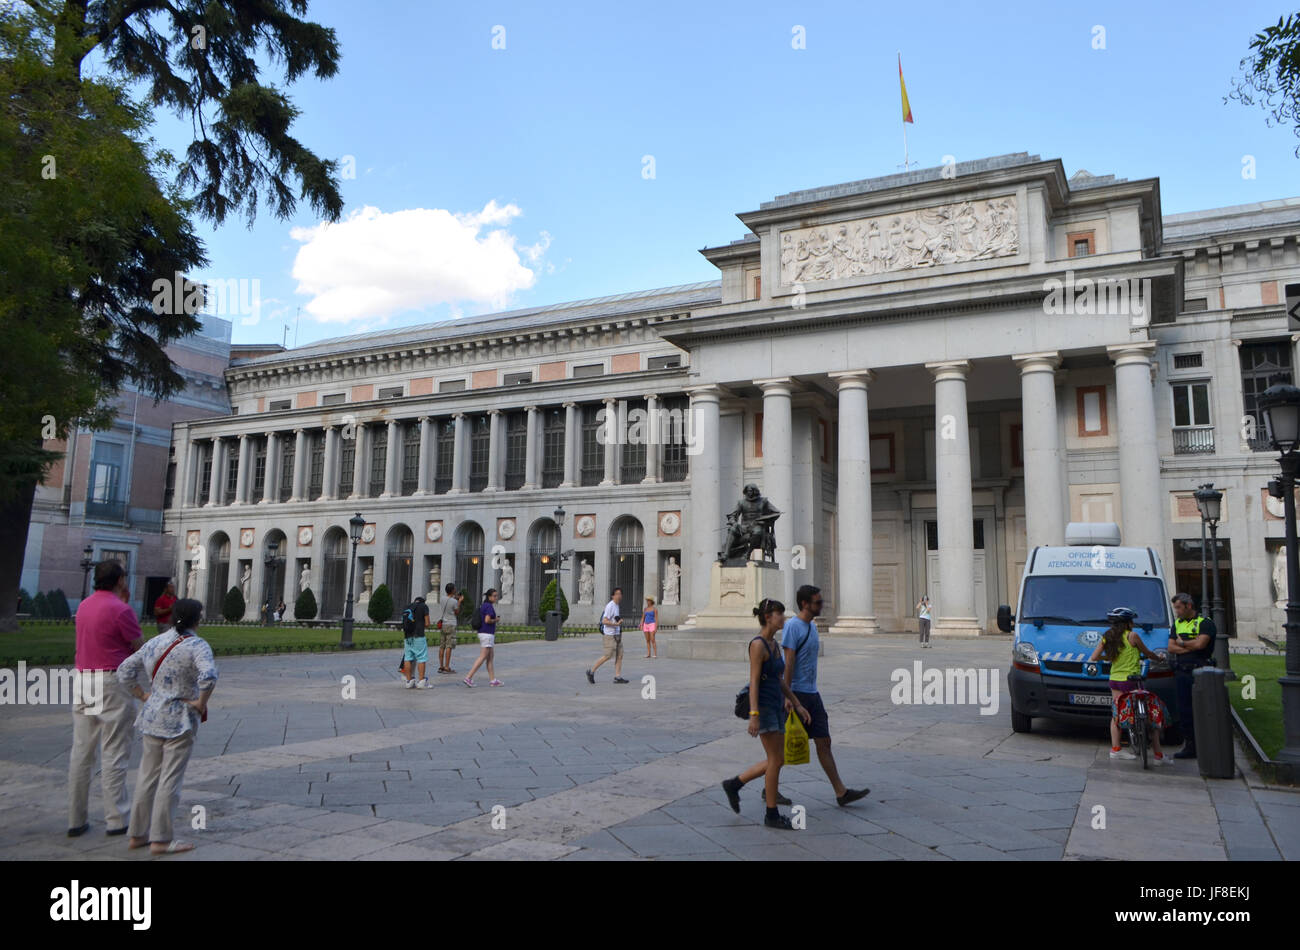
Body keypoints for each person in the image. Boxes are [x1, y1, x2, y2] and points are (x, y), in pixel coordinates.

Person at [119, 598, 218, 855]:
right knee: (170, 780)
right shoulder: (197, 645)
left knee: (146, 776)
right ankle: (161, 839)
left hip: (152, 715)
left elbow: (124, 670)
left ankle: (137, 835)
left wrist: (141, 695)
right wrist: (200, 702)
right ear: (197, 619)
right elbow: (208, 676)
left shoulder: (157, 641)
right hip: (180, 718)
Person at [68, 560, 144, 838]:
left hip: (84, 678)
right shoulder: (121, 610)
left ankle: (76, 818)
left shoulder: (84, 606)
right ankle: (116, 818)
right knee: (114, 750)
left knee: (81, 751)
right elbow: (139, 648)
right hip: (112, 681)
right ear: (120, 580)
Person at [721, 598, 811, 829]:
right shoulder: (758, 644)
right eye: (779, 614)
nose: (783, 617)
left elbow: (778, 679)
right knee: (777, 760)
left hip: (777, 706)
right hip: (764, 708)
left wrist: (796, 703)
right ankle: (771, 814)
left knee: (776, 760)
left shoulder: (774, 644)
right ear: (768, 617)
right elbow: (754, 681)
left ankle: (735, 784)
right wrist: (754, 714)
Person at [778, 585, 870, 806]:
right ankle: (764, 786)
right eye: (817, 602)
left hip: (812, 693)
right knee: (782, 746)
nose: (821, 605)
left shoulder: (813, 626)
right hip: (797, 692)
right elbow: (788, 662)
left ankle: (841, 792)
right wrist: (788, 696)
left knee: (824, 741)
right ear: (804, 604)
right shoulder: (792, 626)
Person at [1089, 606, 1169, 764]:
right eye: (1131, 621)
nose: (1133, 623)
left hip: (1114, 680)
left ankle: (1116, 749)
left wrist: (1110, 658)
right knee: (1147, 714)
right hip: (1131, 680)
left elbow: (1094, 657)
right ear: (1127, 623)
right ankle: (1158, 755)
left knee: (1117, 713)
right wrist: (1159, 658)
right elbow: (1148, 654)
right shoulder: (1133, 636)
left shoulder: (1107, 636)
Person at [1167, 592, 1217, 759]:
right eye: (1175, 608)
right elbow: (1171, 648)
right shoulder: (1177, 624)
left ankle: (1207, 745)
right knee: (1185, 711)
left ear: (1189, 606)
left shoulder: (1205, 623)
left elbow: (1201, 644)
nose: (1177, 611)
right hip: (1182, 671)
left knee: (1204, 709)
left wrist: (1182, 643)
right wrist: (1190, 646)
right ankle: (1190, 746)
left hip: (1200, 672)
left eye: (1179, 608)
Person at [586, 587, 628, 684]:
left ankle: (617, 677)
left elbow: (614, 617)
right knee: (607, 656)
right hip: (609, 636)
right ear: (612, 596)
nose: (619, 596)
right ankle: (591, 672)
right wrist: (615, 624)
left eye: (620, 594)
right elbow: (604, 621)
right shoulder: (610, 605)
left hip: (617, 635)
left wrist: (619, 621)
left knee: (619, 655)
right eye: (616, 594)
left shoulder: (617, 606)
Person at [464, 589, 502, 687]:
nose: (496, 597)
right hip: (487, 633)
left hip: (484, 633)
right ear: (489, 597)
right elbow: (487, 620)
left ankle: (493, 680)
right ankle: (469, 677)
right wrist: (496, 620)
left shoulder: (484, 605)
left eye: (496, 595)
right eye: (494, 596)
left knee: (490, 657)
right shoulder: (488, 606)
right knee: (483, 656)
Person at [399, 596, 431, 689]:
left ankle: (409, 681)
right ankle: (421, 681)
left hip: (407, 636)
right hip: (419, 635)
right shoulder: (424, 606)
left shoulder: (407, 607)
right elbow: (427, 623)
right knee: (421, 657)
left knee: (408, 657)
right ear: (423, 601)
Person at [437, 582, 463, 674]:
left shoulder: (442, 599)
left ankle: (441, 666)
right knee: (449, 646)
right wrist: (459, 602)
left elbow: (448, 602)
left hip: (443, 624)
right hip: (451, 624)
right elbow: (456, 612)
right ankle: (447, 667)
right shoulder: (454, 601)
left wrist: (454, 598)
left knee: (442, 646)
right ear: (453, 590)